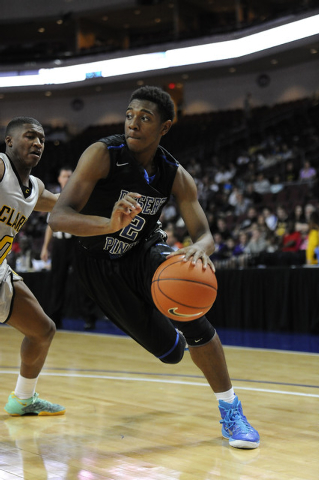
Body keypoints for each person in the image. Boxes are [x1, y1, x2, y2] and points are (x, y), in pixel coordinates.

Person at [49, 86, 259, 449]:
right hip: (97, 265)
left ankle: (231, 409)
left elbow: (206, 235)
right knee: (171, 353)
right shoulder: (102, 154)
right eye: (130, 115)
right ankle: (175, 339)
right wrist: (108, 225)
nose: (133, 123)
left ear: (164, 127)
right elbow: (58, 217)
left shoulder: (174, 174)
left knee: (193, 316)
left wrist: (198, 249)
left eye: (145, 118)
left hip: (146, 250)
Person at [1, 116, 65, 416]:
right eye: (29, 136)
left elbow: (62, 204)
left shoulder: (35, 188)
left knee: (42, 330)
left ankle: (23, 399)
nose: (38, 143)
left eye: (41, 138)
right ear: (9, 141)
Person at [40, 167, 98, 330]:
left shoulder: (80, 194)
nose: (67, 178)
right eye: (65, 176)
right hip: (59, 243)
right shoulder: (53, 197)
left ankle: (89, 317)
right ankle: (55, 318)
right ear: (59, 179)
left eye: (70, 176)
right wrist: (45, 247)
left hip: (76, 241)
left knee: (82, 280)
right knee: (57, 281)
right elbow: (50, 225)